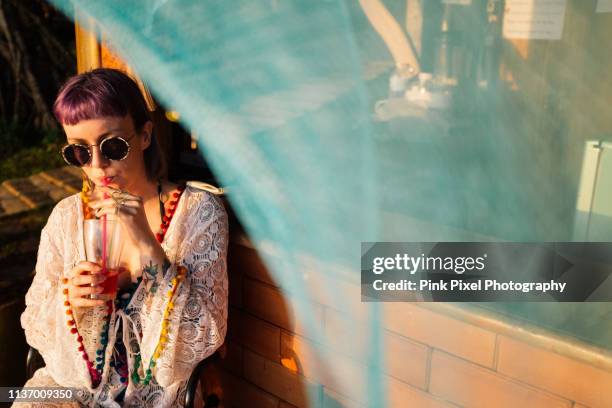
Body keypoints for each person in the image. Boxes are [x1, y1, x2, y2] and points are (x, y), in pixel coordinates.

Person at [15, 68, 228, 407]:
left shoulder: (197, 211)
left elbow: (201, 338)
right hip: (71, 386)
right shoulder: (67, 217)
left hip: (158, 395)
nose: (98, 165)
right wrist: (69, 301)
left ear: (144, 136)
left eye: (113, 146)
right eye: (80, 152)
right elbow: (36, 323)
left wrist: (145, 241)